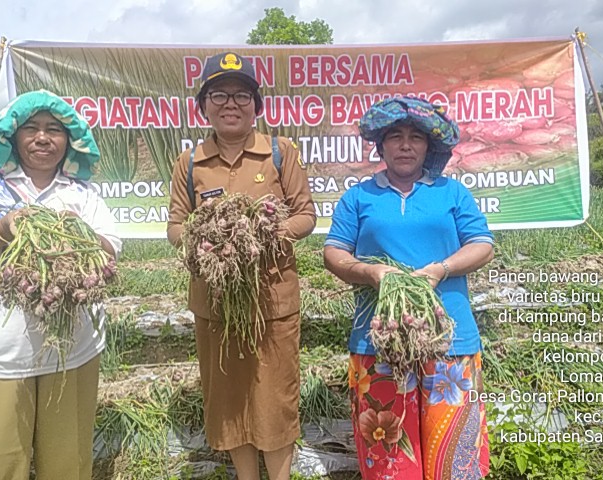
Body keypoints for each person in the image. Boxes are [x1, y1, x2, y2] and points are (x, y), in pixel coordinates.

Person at [0, 90, 121, 480]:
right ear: (12, 135)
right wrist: (3, 228)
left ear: (69, 139)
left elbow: (110, 252)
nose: (43, 137)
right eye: (32, 128)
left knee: (68, 465)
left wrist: (72, 232)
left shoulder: (83, 193)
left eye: (54, 129)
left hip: (72, 352)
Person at [323, 96, 494, 480]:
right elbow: (333, 253)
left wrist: (441, 269)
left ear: (428, 145)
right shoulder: (359, 198)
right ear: (380, 146)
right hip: (379, 340)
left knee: (455, 454)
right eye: (394, 136)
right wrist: (373, 274)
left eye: (415, 137)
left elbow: (482, 245)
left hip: (449, 337)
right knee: (388, 455)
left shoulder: (451, 193)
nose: (404, 145)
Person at [167, 52, 316, 480]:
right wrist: (203, 240)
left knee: (275, 397)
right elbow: (176, 225)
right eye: (219, 95)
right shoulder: (190, 162)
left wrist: (266, 234)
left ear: (256, 105)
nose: (231, 104)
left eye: (241, 95)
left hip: (273, 300)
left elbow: (306, 214)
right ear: (204, 106)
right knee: (229, 397)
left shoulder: (280, 153)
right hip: (215, 303)